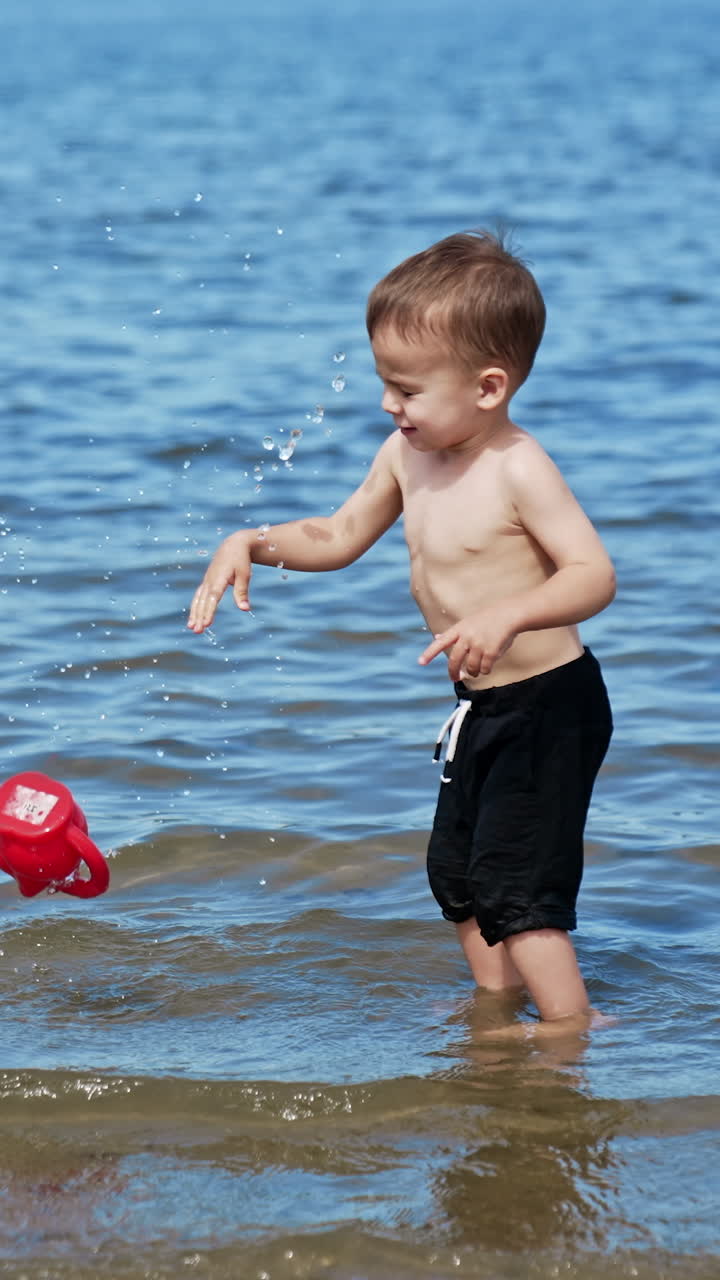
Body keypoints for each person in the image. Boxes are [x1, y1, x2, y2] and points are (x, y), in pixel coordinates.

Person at [188, 230, 615, 1028]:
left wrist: (511, 611)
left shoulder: (518, 467)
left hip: (549, 705)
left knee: (518, 888)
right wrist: (252, 541)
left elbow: (594, 575)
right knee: (456, 875)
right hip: (480, 709)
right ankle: (496, 1012)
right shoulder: (404, 454)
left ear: (488, 388)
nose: (390, 404)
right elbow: (341, 535)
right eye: (387, 383)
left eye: (409, 389)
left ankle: (572, 1034)